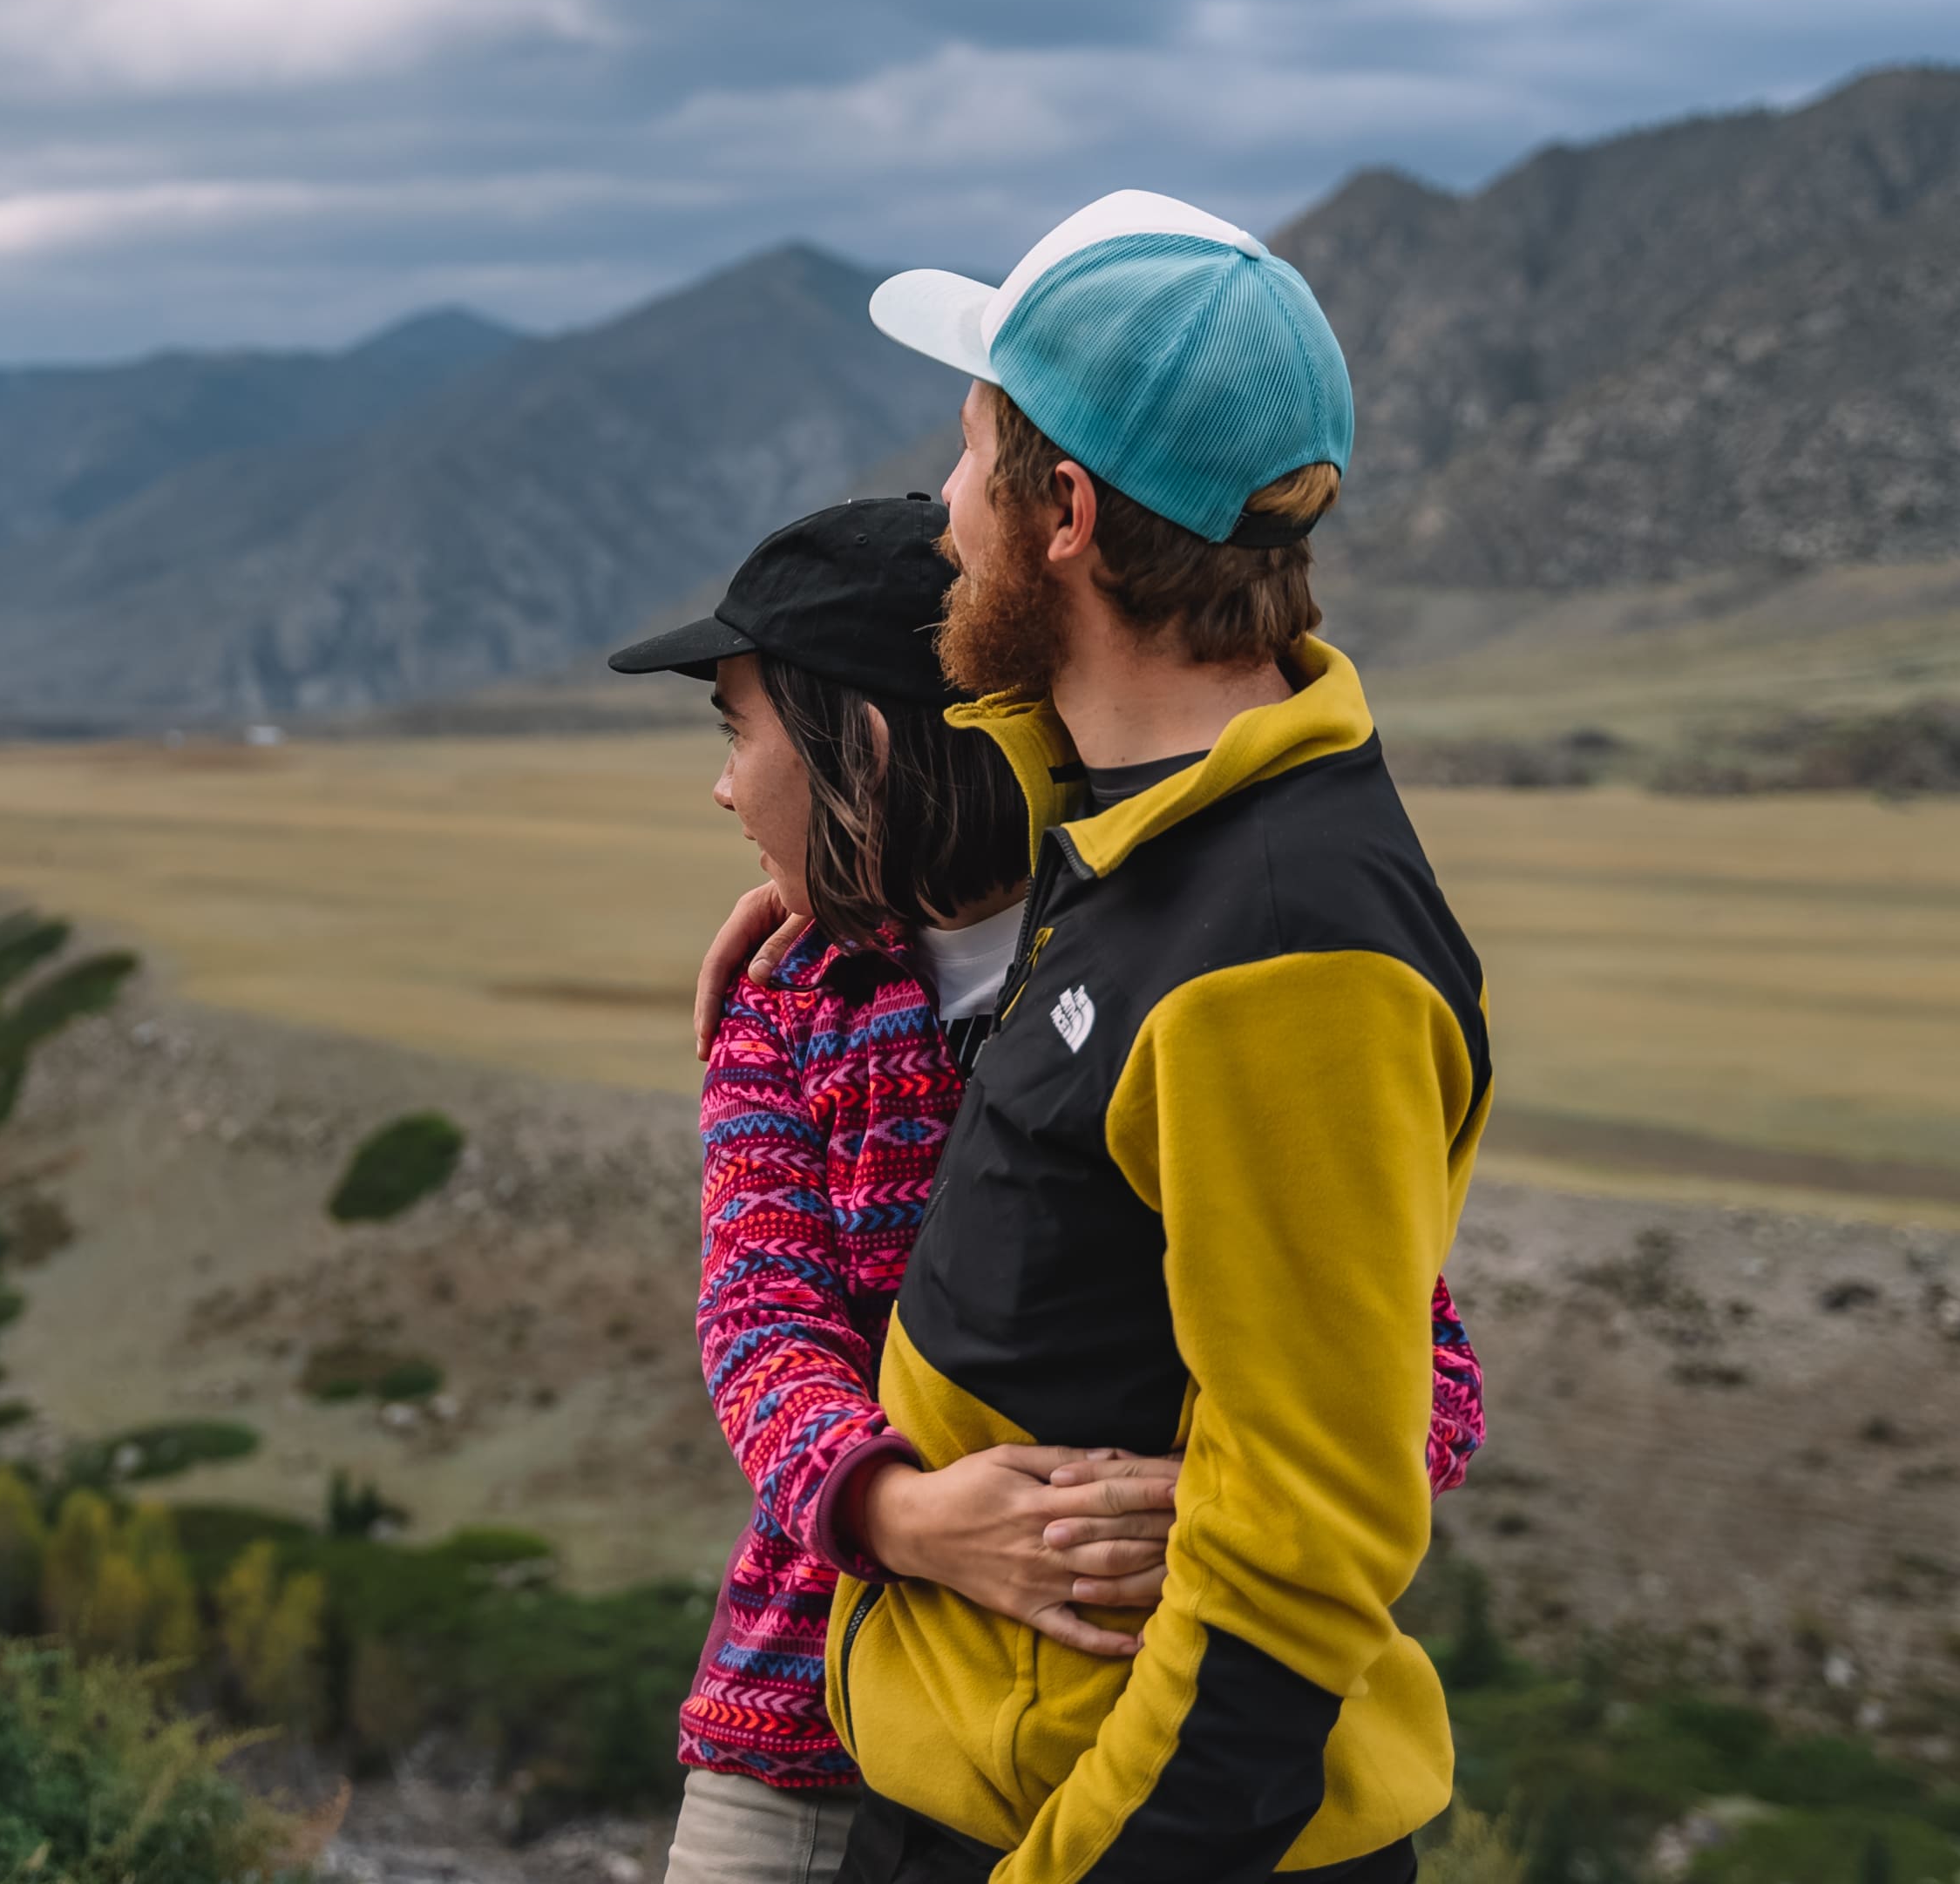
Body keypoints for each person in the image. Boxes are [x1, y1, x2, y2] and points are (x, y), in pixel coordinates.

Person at [608, 494, 1484, 1884]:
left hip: (1145, 1720)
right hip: (807, 1722)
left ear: (863, 747)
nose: (722, 785)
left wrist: (1185, 1517)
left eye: (739, 727)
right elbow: (761, 1324)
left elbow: (1407, 1368)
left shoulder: (1178, 958)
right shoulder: (795, 1005)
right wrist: (909, 1520)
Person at [783, 190, 1494, 1884]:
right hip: (1003, 1786)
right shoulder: (1143, 833)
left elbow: (1291, 1562)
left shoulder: (1278, 948)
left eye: (966, 460)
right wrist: (840, 902)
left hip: (1102, 1832)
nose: (938, 510)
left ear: (1065, 516)